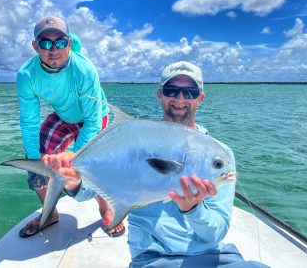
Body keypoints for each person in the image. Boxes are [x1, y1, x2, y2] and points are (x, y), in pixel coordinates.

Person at [43, 61, 269, 267]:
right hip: (153, 258)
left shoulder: (219, 152)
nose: (180, 99)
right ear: (160, 95)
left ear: (200, 98)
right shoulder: (135, 137)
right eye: (172, 91)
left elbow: (215, 234)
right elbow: (86, 194)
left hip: (214, 256)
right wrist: (73, 181)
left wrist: (194, 209)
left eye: (190, 92)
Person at [16, 15, 125, 238]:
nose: (53, 49)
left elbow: (93, 121)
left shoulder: (84, 69)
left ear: (69, 43)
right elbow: (29, 122)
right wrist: (35, 159)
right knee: (36, 161)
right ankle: (50, 213)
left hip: (95, 116)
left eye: (60, 42)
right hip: (64, 117)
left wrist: (73, 155)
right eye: (45, 43)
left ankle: (105, 208)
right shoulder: (26, 75)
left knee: (95, 164)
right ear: (35, 46)